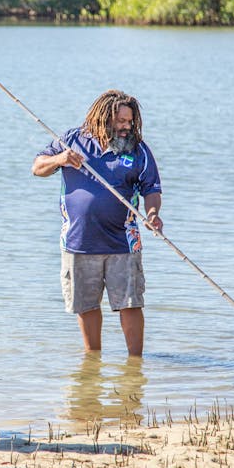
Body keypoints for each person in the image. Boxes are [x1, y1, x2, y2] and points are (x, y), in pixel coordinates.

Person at [32, 89, 163, 356]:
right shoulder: (72, 140)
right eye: (122, 121)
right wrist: (61, 159)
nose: (128, 127)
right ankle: (93, 364)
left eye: (131, 121)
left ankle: (135, 360)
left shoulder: (139, 150)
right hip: (78, 241)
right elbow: (38, 167)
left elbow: (152, 189)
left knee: (130, 303)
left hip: (122, 243)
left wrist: (152, 214)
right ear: (104, 118)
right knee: (86, 305)